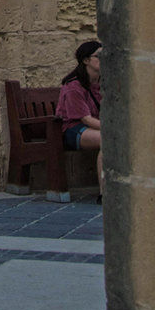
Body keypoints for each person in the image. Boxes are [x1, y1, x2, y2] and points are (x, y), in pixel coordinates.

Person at [56, 38, 102, 198]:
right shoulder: (74, 86)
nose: (104, 61)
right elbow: (86, 119)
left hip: (93, 127)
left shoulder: (103, 83)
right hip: (72, 129)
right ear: (86, 60)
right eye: (99, 56)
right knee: (109, 141)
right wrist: (112, 129)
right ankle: (106, 193)